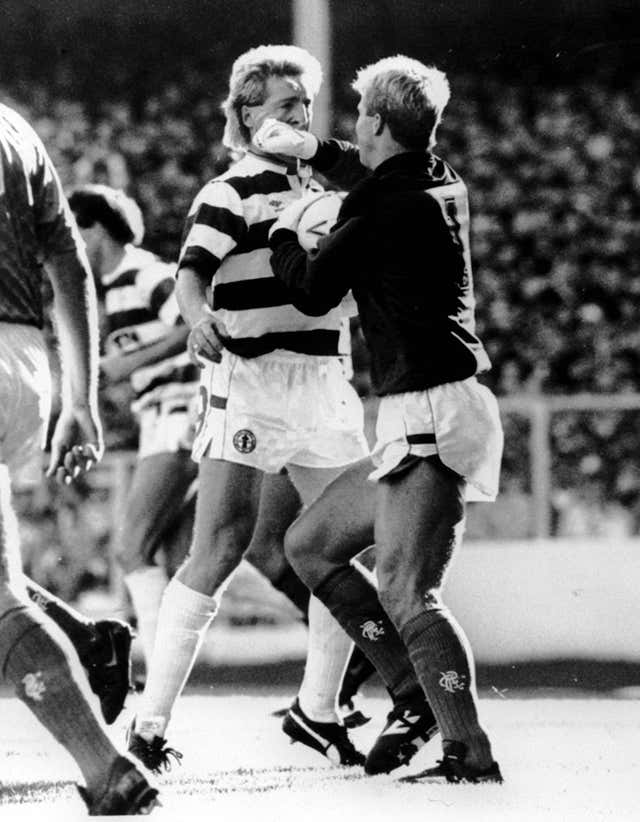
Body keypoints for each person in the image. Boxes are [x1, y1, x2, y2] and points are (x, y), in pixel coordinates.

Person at [127, 44, 430, 774]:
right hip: (252, 382)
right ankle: (149, 724)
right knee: (219, 549)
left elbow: (394, 179)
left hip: (325, 379)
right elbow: (190, 273)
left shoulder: (335, 186)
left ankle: (317, 711)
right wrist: (199, 318)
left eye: (304, 102)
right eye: (282, 104)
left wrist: (320, 151)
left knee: (333, 550)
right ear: (244, 115)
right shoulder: (229, 189)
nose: (297, 113)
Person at [258, 55, 504, 783]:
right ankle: (410, 692)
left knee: (405, 590)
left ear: (375, 123)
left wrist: (284, 232)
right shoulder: (438, 175)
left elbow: (308, 291)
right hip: (432, 402)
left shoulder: (377, 206)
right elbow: (376, 176)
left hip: (429, 405)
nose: (350, 125)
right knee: (309, 544)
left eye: (358, 115)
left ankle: (468, 747)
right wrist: (319, 154)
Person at [65, 185, 373, 724]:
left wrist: (125, 363)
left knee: (132, 547)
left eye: (74, 229)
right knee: (228, 552)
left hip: (184, 412)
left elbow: (195, 322)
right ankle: (349, 648)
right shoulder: (107, 288)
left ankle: (145, 680)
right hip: (165, 416)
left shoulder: (146, 275)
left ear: (95, 230)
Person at [0, 102, 157, 814]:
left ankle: (105, 759)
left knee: (2, 602)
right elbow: (66, 259)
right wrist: (78, 399)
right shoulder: (17, 130)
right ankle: (89, 650)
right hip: (24, 363)